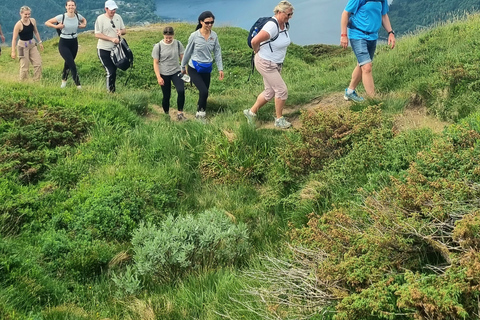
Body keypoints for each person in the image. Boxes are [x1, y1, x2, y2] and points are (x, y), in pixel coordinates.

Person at [243, 0, 294, 129]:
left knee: (269, 92)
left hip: (275, 63)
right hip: (266, 63)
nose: (290, 17)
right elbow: (255, 41)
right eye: (288, 14)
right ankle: (279, 119)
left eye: (291, 14)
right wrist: (256, 51)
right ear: (278, 12)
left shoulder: (284, 24)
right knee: (281, 91)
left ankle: (251, 112)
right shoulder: (272, 26)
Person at [340, 0, 395, 102]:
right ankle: (373, 101)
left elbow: (383, 15)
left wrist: (390, 32)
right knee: (367, 67)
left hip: (372, 36)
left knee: (361, 64)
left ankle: (350, 92)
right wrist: (343, 35)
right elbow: (345, 13)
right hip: (358, 35)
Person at [181, 11, 224, 122]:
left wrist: (220, 68)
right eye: (207, 22)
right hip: (194, 68)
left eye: (212, 22)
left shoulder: (214, 36)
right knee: (204, 91)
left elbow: (217, 52)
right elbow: (187, 52)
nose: (209, 25)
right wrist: (182, 66)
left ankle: (200, 112)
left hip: (206, 68)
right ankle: (200, 115)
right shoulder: (194, 36)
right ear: (201, 22)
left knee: (205, 93)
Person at [45, 0, 87, 89]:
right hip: (64, 42)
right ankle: (78, 85)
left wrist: (83, 25)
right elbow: (47, 22)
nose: (71, 7)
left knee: (68, 63)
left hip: (74, 42)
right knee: (72, 64)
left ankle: (63, 83)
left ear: (75, 7)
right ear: (66, 7)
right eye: (69, 5)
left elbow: (83, 20)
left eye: (72, 5)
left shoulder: (77, 16)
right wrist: (56, 26)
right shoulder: (62, 17)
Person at [152, 26, 187, 120]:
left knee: (181, 91)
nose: (168, 40)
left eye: (170, 38)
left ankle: (180, 113)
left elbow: (182, 58)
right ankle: (166, 115)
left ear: (173, 36)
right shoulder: (158, 46)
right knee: (166, 95)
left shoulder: (178, 44)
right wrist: (158, 77)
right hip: (164, 73)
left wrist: (185, 70)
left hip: (176, 71)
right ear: (163, 36)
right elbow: (155, 63)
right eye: (166, 38)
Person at [95, 0, 126, 93]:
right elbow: (97, 34)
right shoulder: (100, 19)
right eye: (111, 10)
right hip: (104, 49)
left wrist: (121, 32)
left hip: (116, 49)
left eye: (115, 9)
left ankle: (112, 90)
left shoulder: (118, 17)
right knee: (110, 71)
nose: (113, 11)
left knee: (114, 70)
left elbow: (124, 29)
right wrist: (111, 39)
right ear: (106, 9)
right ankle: (110, 93)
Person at [11, 6, 44, 81]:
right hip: (22, 46)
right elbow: (14, 39)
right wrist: (13, 51)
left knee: (38, 63)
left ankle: (36, 81)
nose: (27, 16)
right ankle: (23, 83)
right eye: (25, 14)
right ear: (21, 14)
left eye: (29, 14)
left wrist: (40, 42)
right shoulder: (18, 25)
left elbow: (36, 31)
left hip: (32, 44)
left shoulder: (32, 21)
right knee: (24, 66)